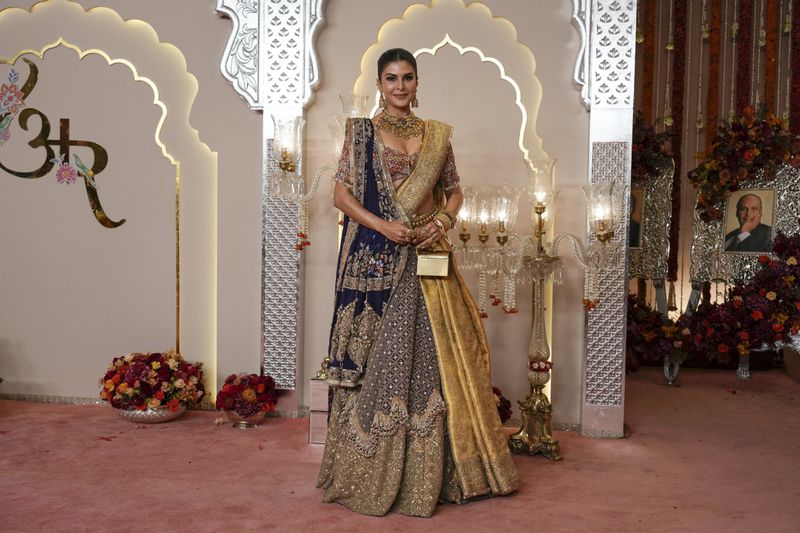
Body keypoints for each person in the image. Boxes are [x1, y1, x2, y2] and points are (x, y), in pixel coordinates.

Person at [317, 48, 520, 517]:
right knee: (382, 357)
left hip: (428, 255)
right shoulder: (361, 133)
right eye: (391, 79)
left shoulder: (436, 136)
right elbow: (340, 195)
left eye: (408, 78)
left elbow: (455, 189)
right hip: (376, 255)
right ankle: (370, 472)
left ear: (417, 81)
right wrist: (382, 225)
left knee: (436, 357)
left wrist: (444, 221)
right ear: (380, 83)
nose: (400, 87)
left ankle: (442, 473)